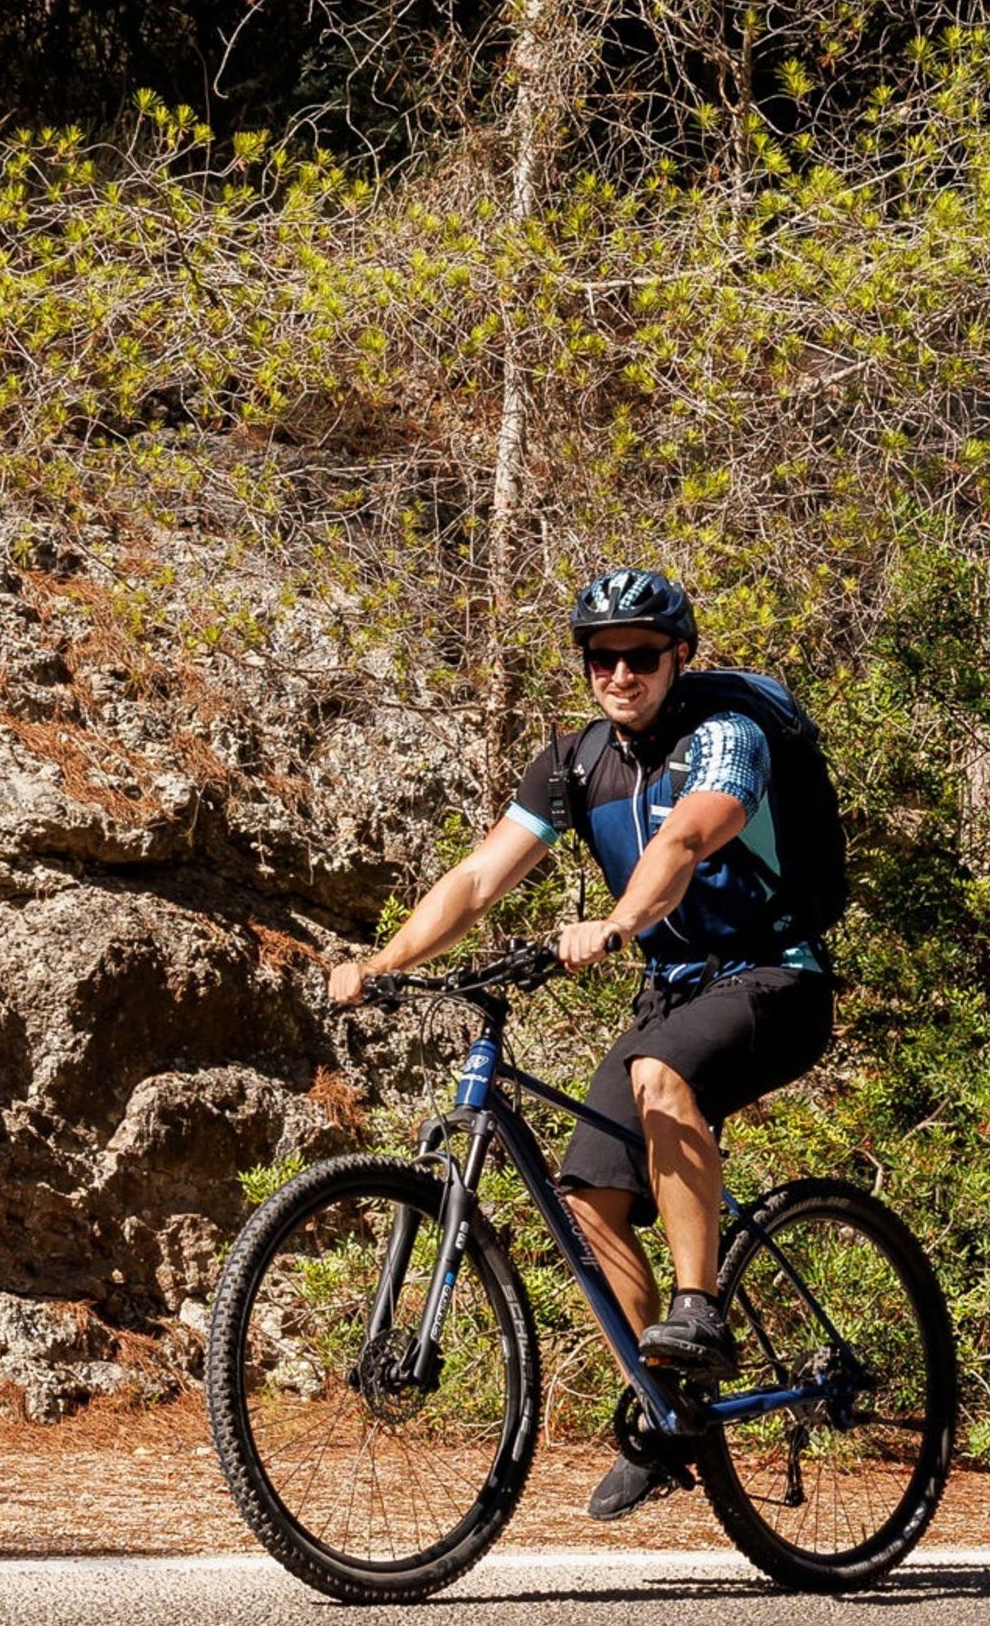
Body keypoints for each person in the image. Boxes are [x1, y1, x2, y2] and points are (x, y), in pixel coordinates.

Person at [328, 568, 838, 1522]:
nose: (619, 673)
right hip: (677, 988)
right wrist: (384, 960)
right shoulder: (572, 763)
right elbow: (480, 878)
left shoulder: (725, 736)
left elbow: (687, 838)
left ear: (678, 656)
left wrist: (616, 923)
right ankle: (669, 1406)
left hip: (776, 976)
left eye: (640, 656)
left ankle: (698, 1305)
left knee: (657, 1072)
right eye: (601, 657)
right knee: (587, 1194)